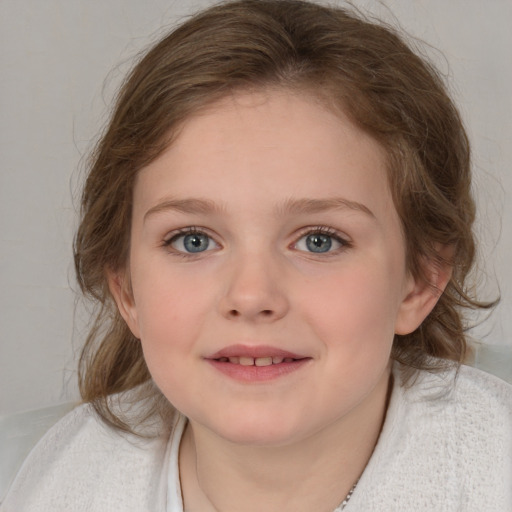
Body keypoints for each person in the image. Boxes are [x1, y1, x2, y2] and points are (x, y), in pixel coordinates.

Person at [2, 1, 511, 510]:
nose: (251, 296)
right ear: (126, 287)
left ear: (420, 280)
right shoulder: (31, 481)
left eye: (319, 240)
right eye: (192, 240)